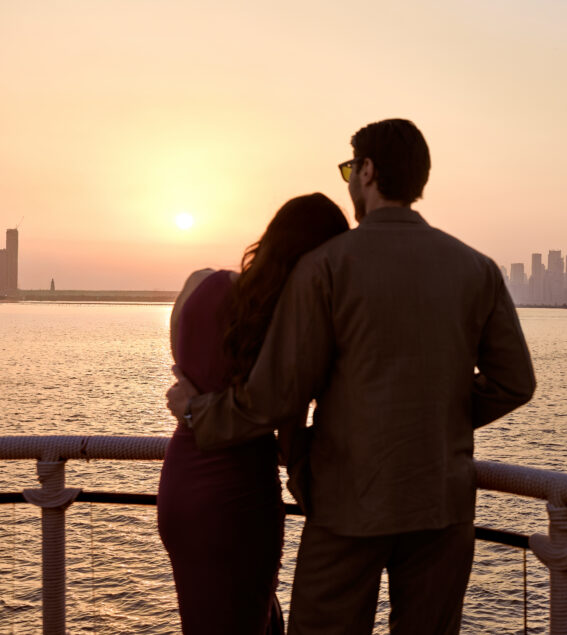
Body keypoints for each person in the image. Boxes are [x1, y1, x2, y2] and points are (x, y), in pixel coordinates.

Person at [167, 118, 535, 634]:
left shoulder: (326, 266)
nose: (348, 182)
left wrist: (195, 410)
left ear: (366, 170)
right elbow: (515, 382)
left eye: (349, 168)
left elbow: (275, 397)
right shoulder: (477, 268)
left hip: (347, 506)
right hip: (442, 505)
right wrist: (436, 421)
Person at [158, 193, 350, 634]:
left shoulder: (200, 284)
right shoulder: (287, 323)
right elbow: (285, 419)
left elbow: (182, 371)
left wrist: (191, 410)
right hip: (239, 498)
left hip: (182, 484)